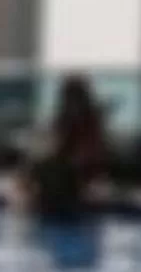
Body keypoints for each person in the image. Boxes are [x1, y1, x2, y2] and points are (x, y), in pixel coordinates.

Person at [19, 75, 112, 223]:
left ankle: (35, 202)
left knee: (46, 171)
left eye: (72, 96)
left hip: (80, 171)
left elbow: (94, 153)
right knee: (40, 169)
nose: (70, 101)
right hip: (67, 168)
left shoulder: (90, 121)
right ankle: (32, 202)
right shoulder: (63, 119)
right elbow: (54, 146)